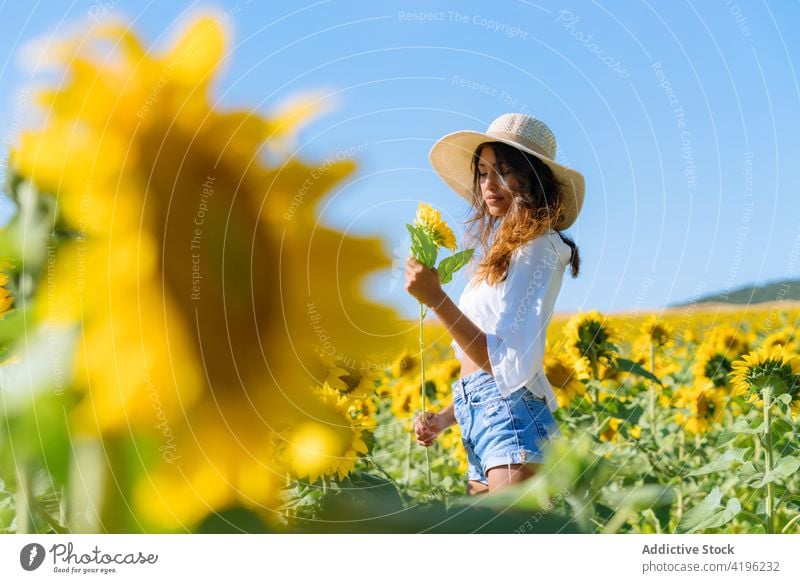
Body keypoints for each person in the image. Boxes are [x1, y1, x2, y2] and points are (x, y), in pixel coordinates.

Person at [404, 112, 585, 495]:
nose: (489, 184)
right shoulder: (508, 252)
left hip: (511, 417)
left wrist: (437, 300)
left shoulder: (539, 249)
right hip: (480, 416)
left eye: (503, 171)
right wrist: (446, 418)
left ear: (532, 178)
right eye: (483, 172)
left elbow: (511, 363)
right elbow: (486, 368)